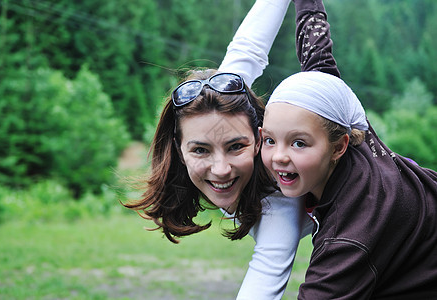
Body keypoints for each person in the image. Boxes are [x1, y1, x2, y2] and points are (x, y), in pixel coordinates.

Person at [123, 0, 341, 298]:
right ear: (178, 147)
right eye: (200, 150)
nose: (221, 168)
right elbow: (248, 49)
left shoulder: (278, 202)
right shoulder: (221, 102)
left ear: (258, 137)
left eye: (236, 146)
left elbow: (265, 276)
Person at [259, 0, 437, 298]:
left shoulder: (349, 236)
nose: (279, 156)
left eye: (299, 143)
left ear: (339, 146)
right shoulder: (340, 118)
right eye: (270, 140)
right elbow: (317, 51)